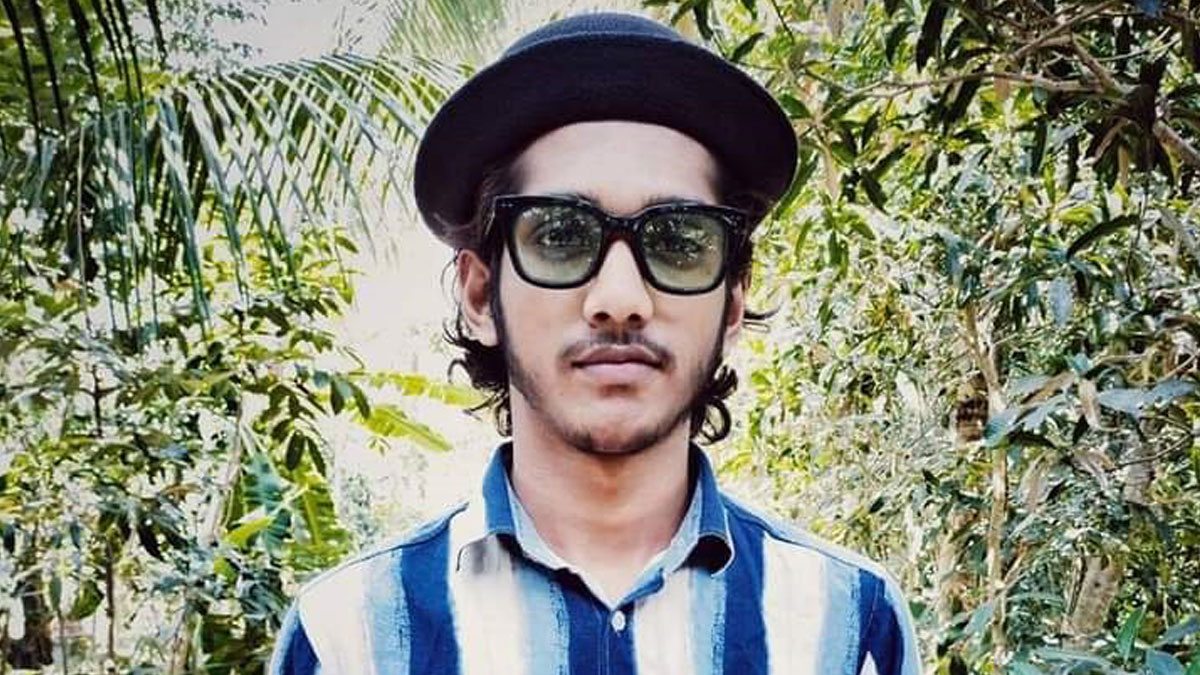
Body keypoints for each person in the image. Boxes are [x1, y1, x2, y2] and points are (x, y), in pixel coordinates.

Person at [269, 12, 920, 675]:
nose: (620, 299)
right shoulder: (350, 637)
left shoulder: (850, 626)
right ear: (480, 295)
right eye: (560, 235)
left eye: (678, 241)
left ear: (731, 303)